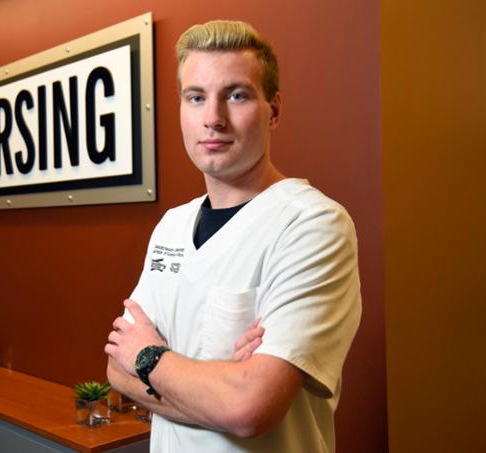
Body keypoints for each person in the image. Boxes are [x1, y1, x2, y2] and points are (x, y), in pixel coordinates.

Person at [105, 19, 361, 453]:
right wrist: (217, 388)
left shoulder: (313, 225)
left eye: (236, 95)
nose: (213, 119)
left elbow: (248, 406)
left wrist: (149, 357)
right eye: (196, 97)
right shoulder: (171, 226)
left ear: (273, 109)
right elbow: (116, 367)